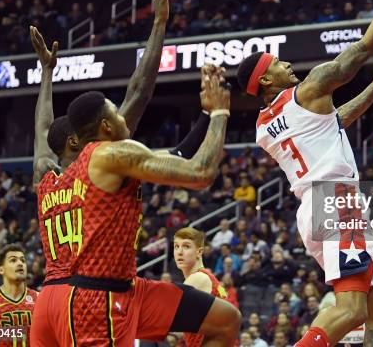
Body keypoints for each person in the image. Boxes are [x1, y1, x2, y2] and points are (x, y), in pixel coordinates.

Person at [236, 0, 373, 347]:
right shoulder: (311, 87)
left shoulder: (264, 126)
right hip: (337, 200)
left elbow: (336, 121)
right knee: (351, 310)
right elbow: (364, 47)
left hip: (314, 208)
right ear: (266, 79)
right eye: (278, 64)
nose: (287, 64)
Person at [37, 65, 238, 347]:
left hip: (118, 288)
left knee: (226, 319)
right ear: (105, 126)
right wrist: (219, 112)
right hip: (96, 298)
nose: (123, 116)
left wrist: (47, 73)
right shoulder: (108, 154)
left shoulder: (60, 175)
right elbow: (200, 172)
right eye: (116, 113)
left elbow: (43, 130)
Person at [174, 227, 232, 347]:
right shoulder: (208, 277)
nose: (179, 252)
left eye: (186, 246)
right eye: (176, 246)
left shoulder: (197, 278)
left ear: (199, 252)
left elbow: (169, 317)